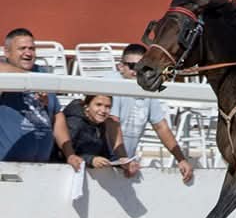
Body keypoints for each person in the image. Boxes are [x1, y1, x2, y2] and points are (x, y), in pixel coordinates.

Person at [103, 43, 194, 183]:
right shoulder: (112, 82)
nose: (136, 71)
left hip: (124, 164)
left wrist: (181, 159)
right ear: (120, 67)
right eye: (132, 66)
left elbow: (161, 127)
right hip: (101, 163)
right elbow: (112, 122)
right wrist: (123, 158)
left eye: (142, 67)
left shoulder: (145, 87)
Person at [0, 27, 61, 162]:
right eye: (22, 48)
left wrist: (70, 152)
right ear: (7, 52)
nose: (28, 53)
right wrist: (32, 79)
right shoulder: (3, 74)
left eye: (31, 49)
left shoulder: (43, 73)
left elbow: (57, 115)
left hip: (42, 166)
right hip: (8, 167)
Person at [59, 94, 137, 175]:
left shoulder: (100, 124)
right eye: (98, 105)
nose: (103, 110)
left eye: (108, 106)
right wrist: (91, 160)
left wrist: (122, 163)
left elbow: (106, 154)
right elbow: (64, 154)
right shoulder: (75, 122)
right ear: (87, 106)